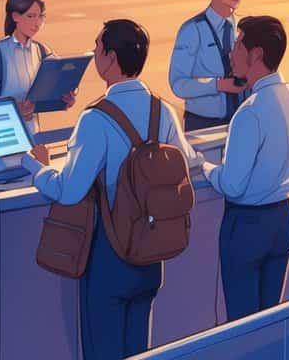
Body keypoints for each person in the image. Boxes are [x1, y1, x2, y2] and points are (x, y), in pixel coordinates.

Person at [24, 19, 198, 360]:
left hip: (110, 255)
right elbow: (186, 161)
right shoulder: (162, 110)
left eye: (98, 48)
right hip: (151, 254)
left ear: (111, 57)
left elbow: (69, 190)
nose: (95, 55)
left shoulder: (96, 118)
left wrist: (35, 166)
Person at [201, 15, 289, 321]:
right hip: (283, 219)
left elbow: (232, 184)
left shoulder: (250, 112)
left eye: (237, 44)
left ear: (256, 53)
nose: (231, 53)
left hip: (248, 226)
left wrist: (205, 166)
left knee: (243, 327)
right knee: (271, 324)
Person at [0, 0, 77, 138]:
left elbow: (51, 92)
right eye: (31, 16)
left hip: (32, 136)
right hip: (2, 136)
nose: (37, 23)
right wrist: (13, 108)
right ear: (15, 16)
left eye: (41, 17)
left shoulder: (42, 51)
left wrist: (65, 99)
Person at [169, 0, 248, 130]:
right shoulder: (192, 30)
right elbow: (178, 84)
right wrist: (218, 85)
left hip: (240, 120)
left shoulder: (243, 28)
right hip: (203, 124)